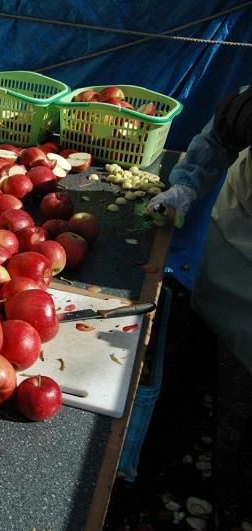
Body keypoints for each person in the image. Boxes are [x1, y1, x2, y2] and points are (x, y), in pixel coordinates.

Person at [147, 85, 252, 525]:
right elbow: (222, 135)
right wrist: (186, 186)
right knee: (217, 349)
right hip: (242, 240)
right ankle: (209, 456)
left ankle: (235, 483)